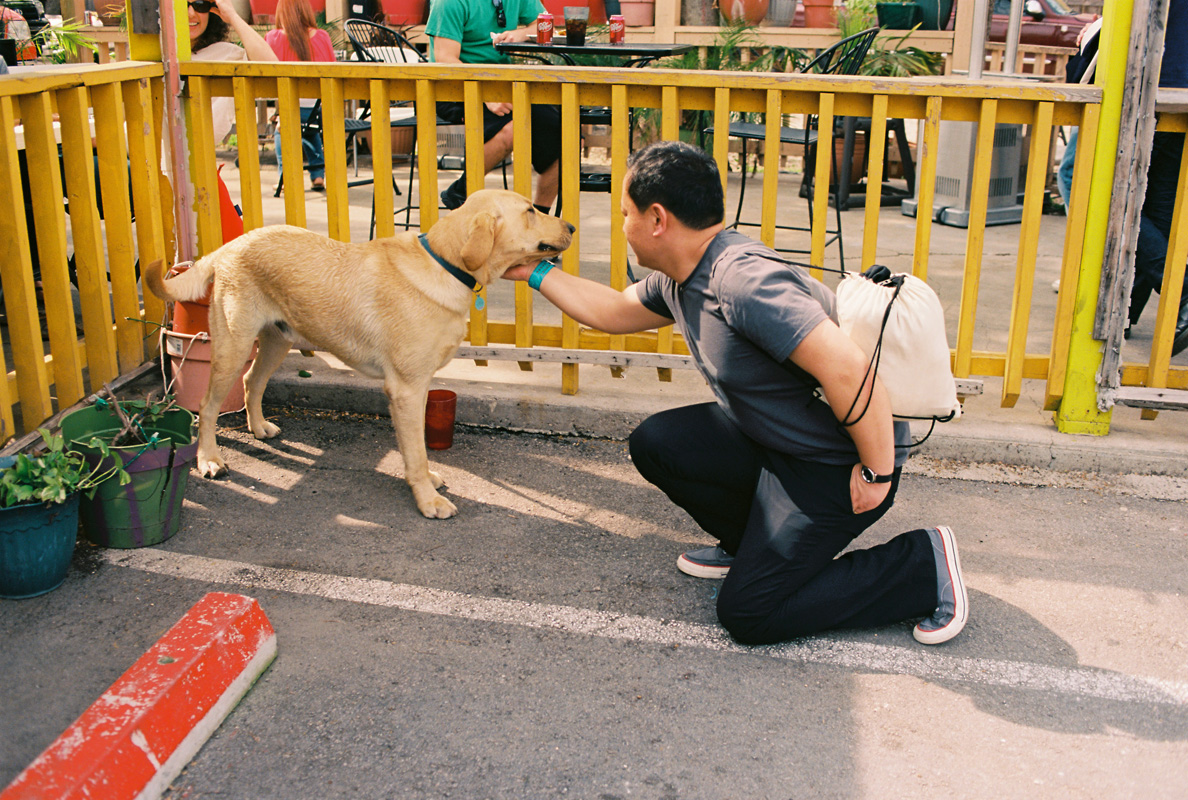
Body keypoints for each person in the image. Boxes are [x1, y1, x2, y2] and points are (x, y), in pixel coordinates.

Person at [503, 141, 968, 646]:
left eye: (624, 214)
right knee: (659, 443)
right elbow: (614, 310)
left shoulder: (743, 281)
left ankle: (921, 565)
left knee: (750, 613)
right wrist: (535, 271)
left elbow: (851, 371)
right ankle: (750, 547)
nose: (621, 226)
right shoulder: (680, 276)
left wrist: (876, 470)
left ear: (657, 219)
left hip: (835, 463)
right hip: (775, 442)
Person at [425, 0, 561, 213]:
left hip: (503, 86)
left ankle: (539, 216)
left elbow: (545, 24)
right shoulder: (449, 2)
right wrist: (483, 91)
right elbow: (444, 59)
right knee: (515, 129)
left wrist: (522, 33)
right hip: (454, 88)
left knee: (566, 134)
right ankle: (460, 191)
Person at [1134, 0, 1188, 356]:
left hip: (1156, 81)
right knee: (1159, 202)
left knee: (1101, 195)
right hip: (1178, 83)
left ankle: (1180, 288)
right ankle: (1126, 310)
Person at [266, 0, 336, 191]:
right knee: (310, 128)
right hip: (318, 109)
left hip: (290, 108)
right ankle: (318, 176)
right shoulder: (322, 36)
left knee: (282, 127)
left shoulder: (273, 37)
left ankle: (286, 177)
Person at [188, 0, 278, 146]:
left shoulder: (226, 54)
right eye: (181, 5)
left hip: (201, 158)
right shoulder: (152, 55)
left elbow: (272, 67)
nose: (191, 13)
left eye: (200, 4)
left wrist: (232, 15)